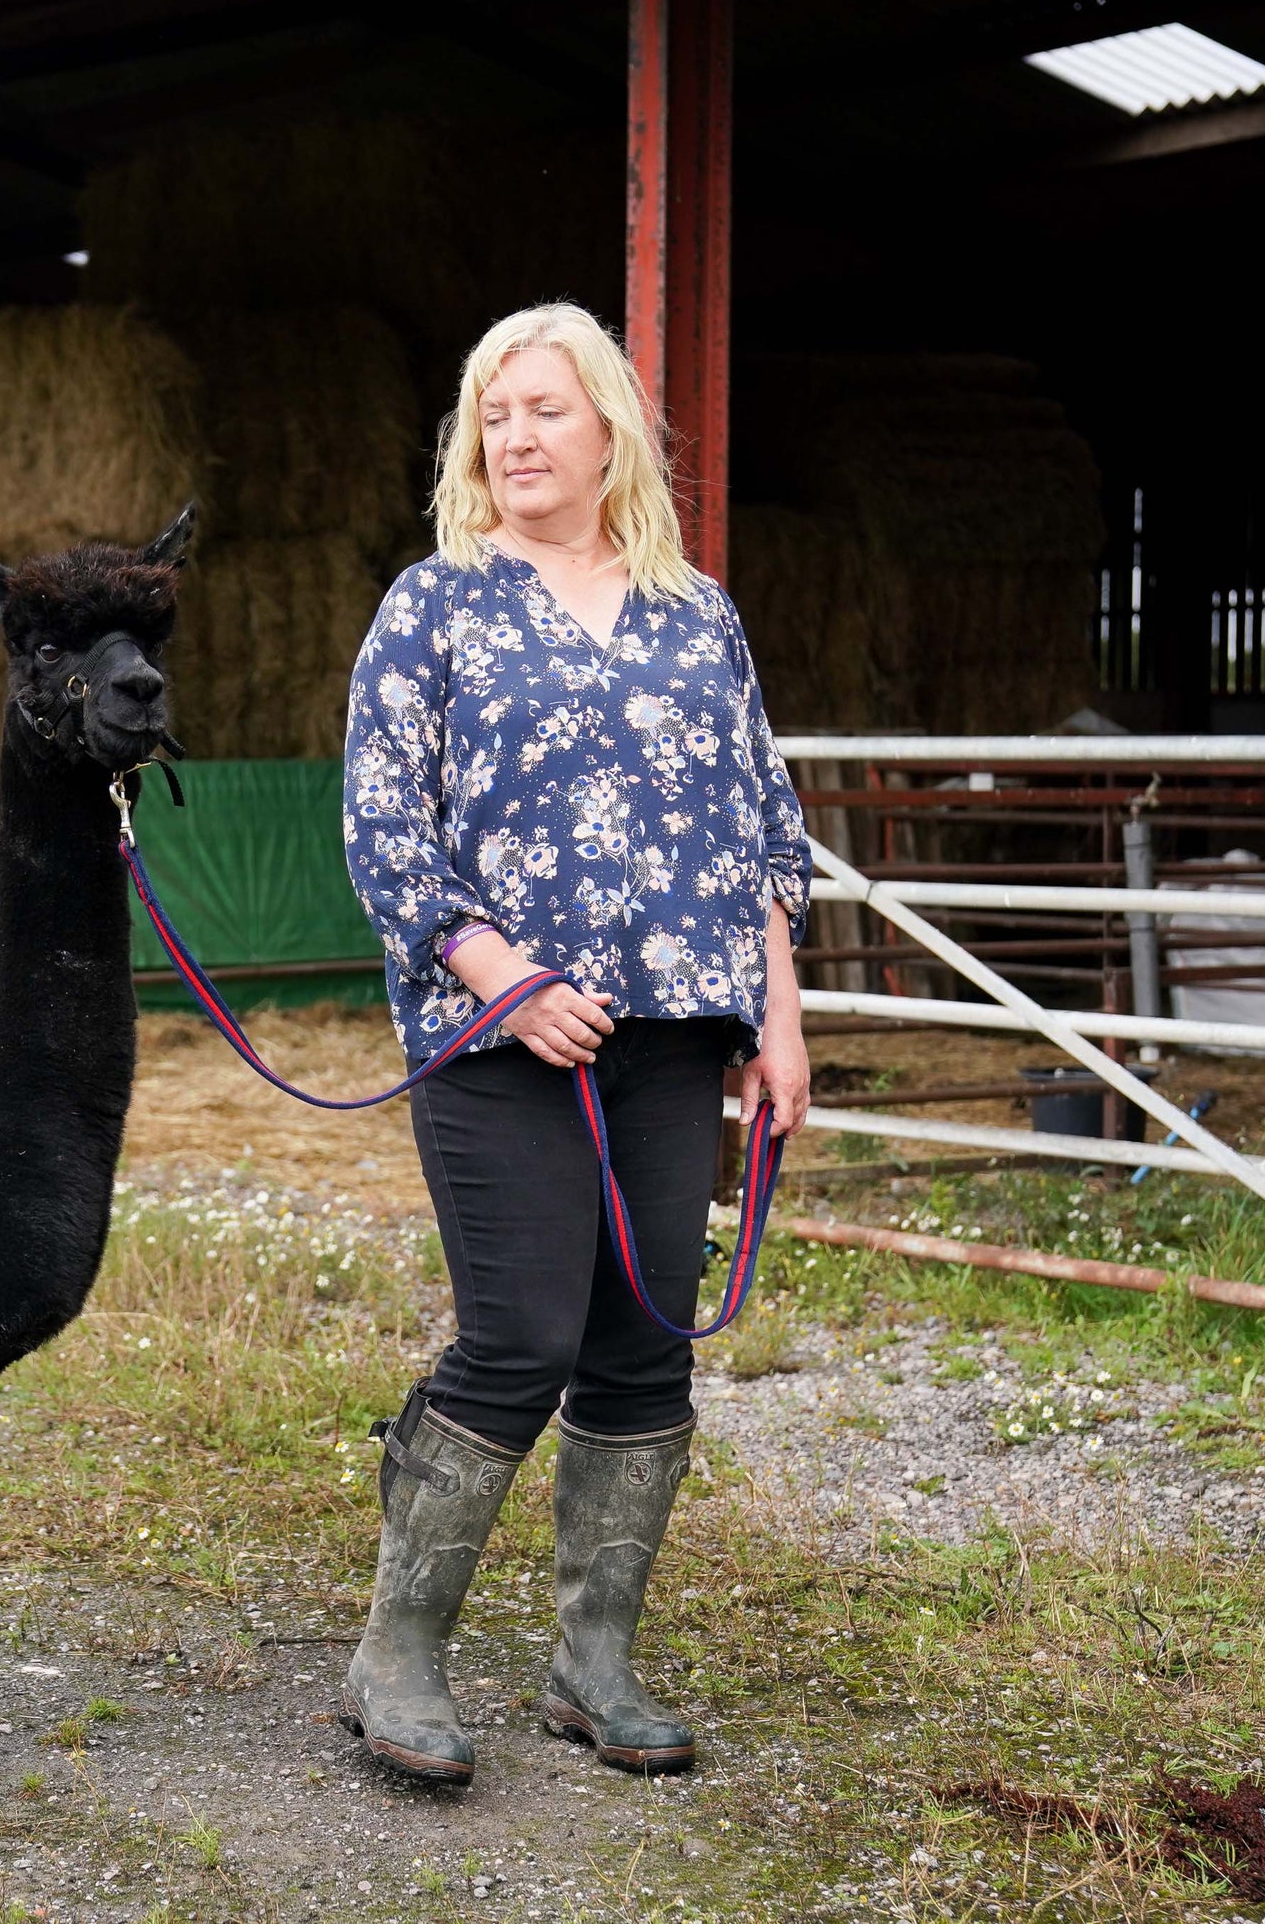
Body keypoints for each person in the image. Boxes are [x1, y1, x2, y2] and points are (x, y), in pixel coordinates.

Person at [338, 301, 811, 1786]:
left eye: (545, 408)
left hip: (673, 1034)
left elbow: (761, 835)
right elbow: (380, 825)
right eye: (496, 414)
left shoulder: (699, 613)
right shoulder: (437, 603)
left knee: (641, 1349)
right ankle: (396, 1652)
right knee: (520, 1337)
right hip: (498, 1042)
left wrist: (779, 1019)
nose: (518, 437)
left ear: (610, 427)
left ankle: (591, 1661)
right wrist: (501, 975)